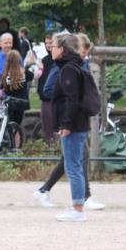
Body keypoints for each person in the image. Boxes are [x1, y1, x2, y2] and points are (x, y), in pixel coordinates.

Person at [34, 33, 104, 210]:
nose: (84, 53)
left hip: (73, 121)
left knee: (74, 161)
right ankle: (80, 200)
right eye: (83, 50)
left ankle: (73, 199)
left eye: (54, 46)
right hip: (70, 121)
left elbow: (75, 97)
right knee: (74, 162)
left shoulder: (72, 66)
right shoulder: (64, 68)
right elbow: (51, 91)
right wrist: (63, 114)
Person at [47, 33, 94, 222]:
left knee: (73, 166)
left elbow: (72, 100)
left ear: (63, 49)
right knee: (73, 164)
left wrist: (65, 124)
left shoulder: (68, 69)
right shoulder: (73, 66)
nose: (52, 48)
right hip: (76, 124)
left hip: (73, 126)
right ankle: (77, 204)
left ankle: (78, 208)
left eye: (55, 46)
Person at [36, 33, 59, 144]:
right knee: (47, 126)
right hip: (45, 98)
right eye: (46, 43)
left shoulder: (59, 60)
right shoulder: (44, 60)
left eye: (51, 43)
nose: (48, 45)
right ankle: (51, 145)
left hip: (56, 98)